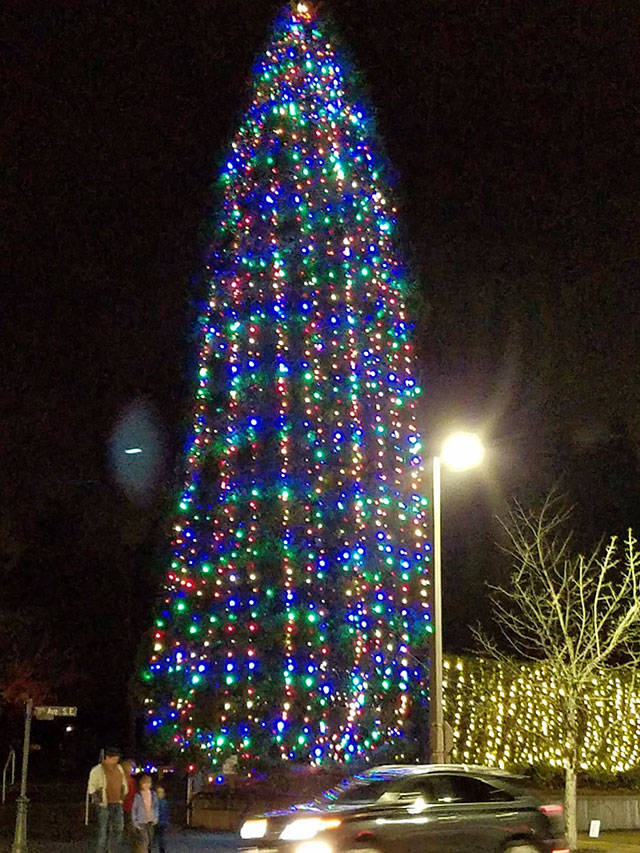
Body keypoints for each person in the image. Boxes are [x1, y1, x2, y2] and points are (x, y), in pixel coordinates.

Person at [87, 746, 129, 853]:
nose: (115, 762)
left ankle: (112, 850)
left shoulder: (119, 768)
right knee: (103, 832)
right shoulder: (97, 770)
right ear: (107, 758)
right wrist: (98, 799)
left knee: (118, 829)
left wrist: (122, 796)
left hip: (117, 802)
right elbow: (91, 787)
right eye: (114, 759)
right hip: (104, 804)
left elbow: (123, 783)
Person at [132, 774, 158, 853]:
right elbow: (134, 809)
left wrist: (156, 817)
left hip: (151, 820)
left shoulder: (153, 794)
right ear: (141, 784)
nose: (147, 785)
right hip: (141, 821)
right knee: (144, 840)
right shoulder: (138, 796)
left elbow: (156, 806)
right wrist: (135, 822)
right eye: (145, 783)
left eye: (148, 783)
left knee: (150, 840)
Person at [121, 759, 137, 848]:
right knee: (129, 823)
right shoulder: (128, 780)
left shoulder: (129, 780)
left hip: (128, 805)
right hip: (127, 805)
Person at [155, 786, 170, 853]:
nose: (160, 794)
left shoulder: (165, 802)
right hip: (155, 822)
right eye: (158, 792)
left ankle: (162, 849)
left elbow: (166, 813)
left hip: (162, 823)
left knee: (162, 837)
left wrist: (166, 822)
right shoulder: (154, 802)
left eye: (161, 792)